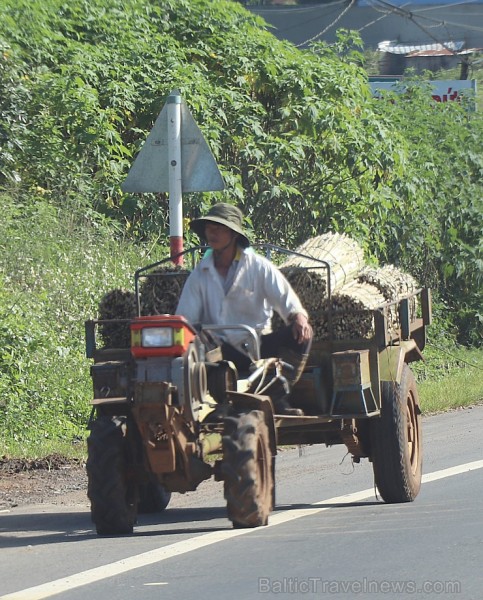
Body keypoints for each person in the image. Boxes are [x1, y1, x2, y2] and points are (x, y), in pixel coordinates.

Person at [176, 203, 313, 416]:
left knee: (302, 334)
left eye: (218, 228)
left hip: (256, 347)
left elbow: (288, 301)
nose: (212, 232)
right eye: (209, 227)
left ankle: (276, 396)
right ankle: (214, 400)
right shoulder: (200, 274)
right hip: (219, 352)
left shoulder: (258, 267)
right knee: (190, 343)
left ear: (233, 234)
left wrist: (298, 318)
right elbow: (184, 318)